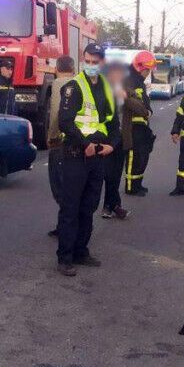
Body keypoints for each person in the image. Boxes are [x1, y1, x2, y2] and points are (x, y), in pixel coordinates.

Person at [55, 43, 120, 276]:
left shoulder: (107, 87)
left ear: (102, 63)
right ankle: (65, 257)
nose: (92, 65)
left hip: (98, 158)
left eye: (96, 62)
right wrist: (86, 144)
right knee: (70, 208)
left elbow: (113, 122)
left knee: (89, 207)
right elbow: (65, 122)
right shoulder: (74, 87)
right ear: (83, 60)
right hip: (76, 156)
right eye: (88, 61)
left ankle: (81, 251)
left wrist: (112, 144)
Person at [46, 55, 74, 237]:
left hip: (61, 143)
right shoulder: (82, 83)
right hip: (80, 142)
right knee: (72, 185)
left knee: (59, 186)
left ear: (56, 69)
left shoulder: (59, 84)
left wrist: (52, 136)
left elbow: (56, 113)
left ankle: (66, 226)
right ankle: (66, 223)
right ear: (73, 69)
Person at [101, 60, 130, 220]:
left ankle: (113, 205)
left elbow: (142, 109)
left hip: (122, 139)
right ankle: (111, 206)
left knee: (116, 175)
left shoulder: (127, 91)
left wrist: (127, 99)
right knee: (108, 175)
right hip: (106, 138)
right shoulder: (102, 91)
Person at [123, 51, 155, 196]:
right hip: (132, 127)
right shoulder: (128, 80)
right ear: (140, 67)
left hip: (142, 127)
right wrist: (145, 112)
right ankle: (130, 187)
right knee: (132, 158)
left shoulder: (139, 82)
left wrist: (149, 111)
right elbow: (131, 102)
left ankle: (138, 184)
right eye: (147, 70)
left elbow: (144, 102)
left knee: (142, 156)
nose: (148, 73)